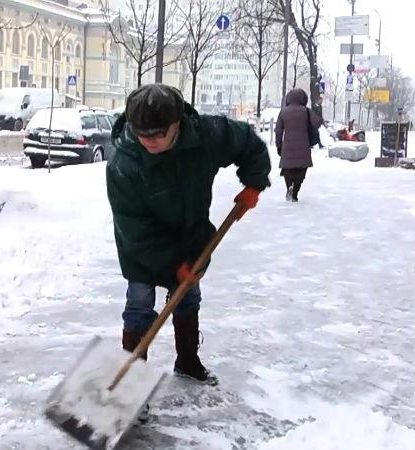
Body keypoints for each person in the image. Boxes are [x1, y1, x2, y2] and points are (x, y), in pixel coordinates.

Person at [106, 84, 271, 396]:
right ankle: (130, 386)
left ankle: (187, 360)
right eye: (142, 134)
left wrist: (254, 181)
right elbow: (134, 228)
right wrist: (172, 264)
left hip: (190, 234)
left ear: (177, 123)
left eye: (156, 134)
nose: (148, 142)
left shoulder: (206, 136)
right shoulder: (124, 165)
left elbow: (248, 144)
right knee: (139, 303)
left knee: (188, 297)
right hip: (142, 247)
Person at [275, 88, 320, 202]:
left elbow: (279, 130)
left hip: (287, 147)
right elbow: (317, 123)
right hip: (303, 146)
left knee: (288, 170)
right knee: (301, 171)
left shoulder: (283, 112)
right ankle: (295, 192)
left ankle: (289, 186)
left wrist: (279, 145)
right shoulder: (306, 111)